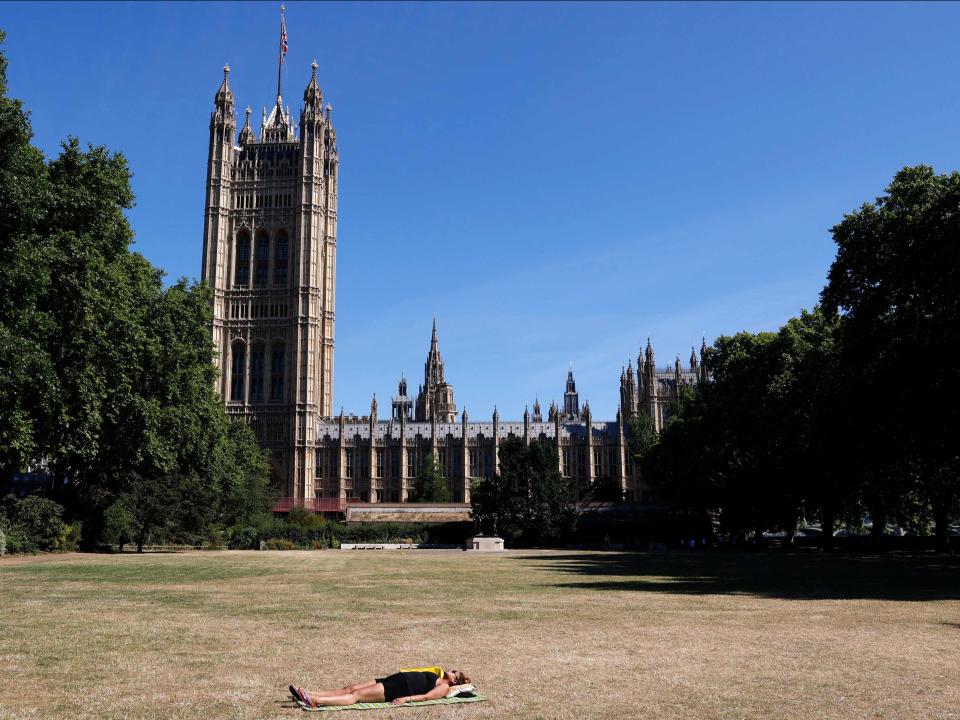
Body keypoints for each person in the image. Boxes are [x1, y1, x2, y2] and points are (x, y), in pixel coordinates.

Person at [290, 666, 471, 708]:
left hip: (399, 689)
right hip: (394, 679)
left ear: (455, 681)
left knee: (356, 695)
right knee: (349, 688)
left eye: (454, 672)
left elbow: (426, 697)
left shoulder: (444, 687)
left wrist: (405, 699)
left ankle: (315, 701)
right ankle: (308, 693)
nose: (450, 669)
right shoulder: (437, 674)